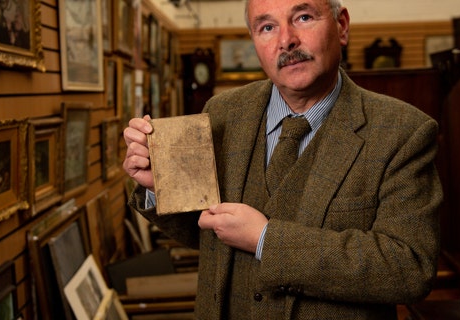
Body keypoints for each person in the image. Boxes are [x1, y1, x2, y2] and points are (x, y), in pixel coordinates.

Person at [123, 0, 442, 319]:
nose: (286, 40)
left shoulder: (404, 131)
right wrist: (160, 185)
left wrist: (266, 239)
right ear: (254, 41)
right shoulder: (221, 114)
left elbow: (409, 268)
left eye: (303, 17)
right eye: (267, 27)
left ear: (341, 26)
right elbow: (205, 234)